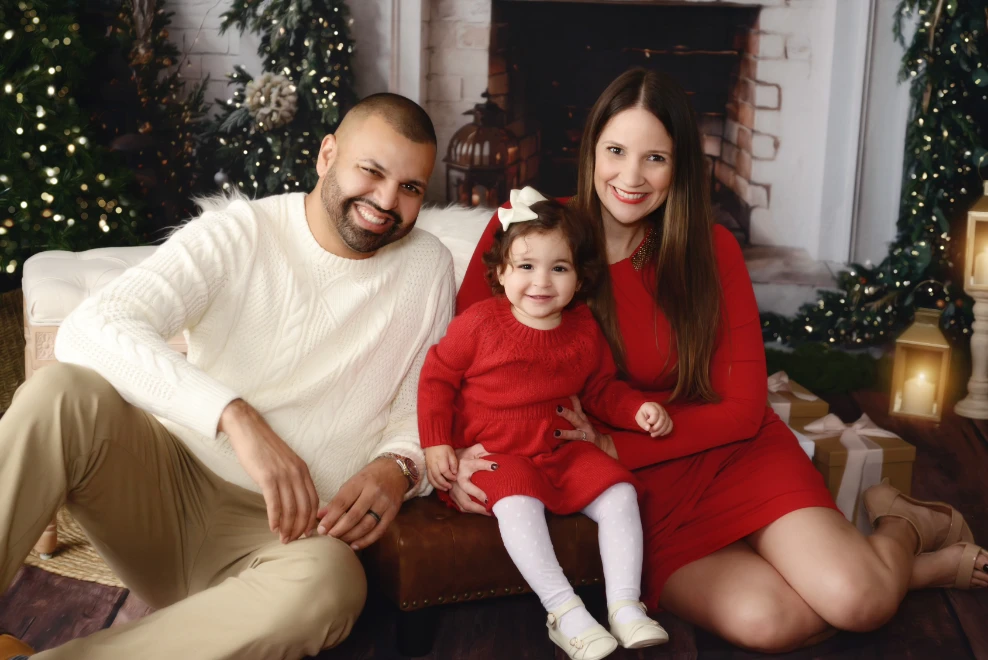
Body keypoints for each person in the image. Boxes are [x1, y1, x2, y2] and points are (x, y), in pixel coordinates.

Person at [450, 68, 988, 653]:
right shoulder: (526, 234)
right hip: (629, 493)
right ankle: (908, 568)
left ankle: (901, 526)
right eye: (616, 151)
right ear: (590, 150)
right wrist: (456, 459)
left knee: (858, 600)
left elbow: (741, 410)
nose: (630, 177)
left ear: (679, 167)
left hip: (723, 452)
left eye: (655, 157)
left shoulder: (711, 249)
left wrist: (611, 443)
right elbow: (459, 364)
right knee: (774, 623)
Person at [0, 93, 453, 660]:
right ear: (328, 155)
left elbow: (424, 401)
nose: (386, 201)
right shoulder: (238, 231)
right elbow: (89, 329)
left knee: (334, 584)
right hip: (165, 493)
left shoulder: (428, 267)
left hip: (289, 542)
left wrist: (399, 466)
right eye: (372, 171)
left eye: (410, 187)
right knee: (60, 394)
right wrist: (234, 415)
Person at [418, 187, 670, 659]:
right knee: (517, 501)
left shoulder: (582, 328)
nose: (542, 282)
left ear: (580, 278)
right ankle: (564, 612)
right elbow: (436, 379)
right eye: (526, 266)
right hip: (497, 454)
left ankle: (624, 605)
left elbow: (600, 390)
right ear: (500, 273)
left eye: (559, 268)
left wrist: (636, 409)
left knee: (619, 492)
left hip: (559, 449)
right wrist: (437, 444)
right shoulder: (480, 324)